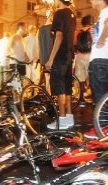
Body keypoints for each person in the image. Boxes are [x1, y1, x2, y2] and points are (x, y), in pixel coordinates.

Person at [84, 0, 108, 139]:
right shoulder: (105, 13)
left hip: (101, 60)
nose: (91, 1)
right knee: (101, 95)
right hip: (102, 60)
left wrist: (102, 39)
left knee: (99, 95)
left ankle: (103, 128)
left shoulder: (107, 13)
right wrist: (96, 37)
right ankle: (106, 126)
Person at [45, 0, 76, 130]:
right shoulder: (72, 14)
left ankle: (62, 119)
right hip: (69, 54)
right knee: (67, 87)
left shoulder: (59, 13)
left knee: (59, 88)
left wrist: (50, 59)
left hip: (60, 55)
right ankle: (69, 117)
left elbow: (58, 36)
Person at [74, 15, 93, 106]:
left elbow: (74, 44)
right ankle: (93, 97)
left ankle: (81, 99)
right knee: (91, 76)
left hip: (79, 56)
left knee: (80, 79)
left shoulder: (78, 32)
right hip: (90, 56)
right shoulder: (92, 31)